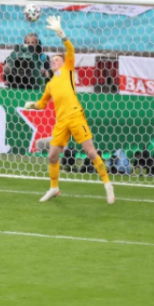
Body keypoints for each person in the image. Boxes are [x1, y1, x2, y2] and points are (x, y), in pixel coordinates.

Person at [24, 16, 115, 204]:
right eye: (53, 59)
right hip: (61, 122)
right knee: (52, 155)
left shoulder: (68, 71)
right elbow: (42, 104)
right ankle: (54, 188)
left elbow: (70, 49)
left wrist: (60, 33)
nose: (54, 61)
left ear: (63, 62)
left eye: (58, 59)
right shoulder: (50, 84)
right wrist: (32, 104)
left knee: (90, 152)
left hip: (75, 116)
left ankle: (107, 184)